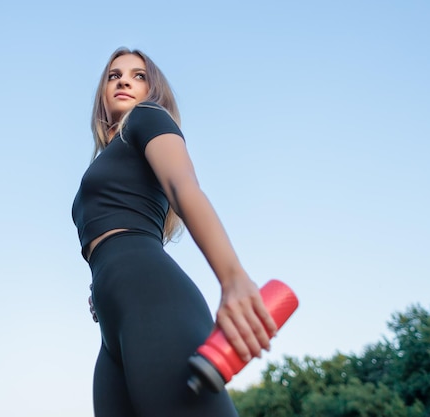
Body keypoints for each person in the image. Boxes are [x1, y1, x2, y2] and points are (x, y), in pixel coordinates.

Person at [72, 47, 278, 417]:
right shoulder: (111, 154)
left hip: (150, 296)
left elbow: (183, 186)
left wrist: (232, 278)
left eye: (139, 76)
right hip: (113, 320)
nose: (124, 81)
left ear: (153, 90)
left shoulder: (148, 117)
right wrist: (102, 287)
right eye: (114, 75)